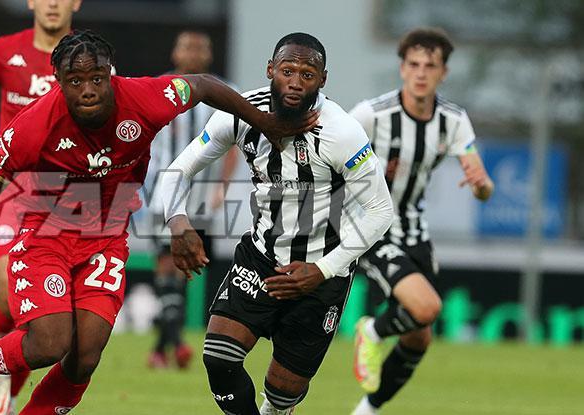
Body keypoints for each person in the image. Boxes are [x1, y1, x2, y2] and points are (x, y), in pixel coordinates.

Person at [0, 30, 318, 415]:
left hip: (105, 240)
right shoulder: (32, 127)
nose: (87, 90)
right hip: (46, 236)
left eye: (97, 78)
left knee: (85, 357)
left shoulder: (145, 98)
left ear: (110, 74)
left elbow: (205, 85)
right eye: (75, 80)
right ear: (58, 81)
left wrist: (263, 122)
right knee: (50, 342)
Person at [158, 32, 394, 414]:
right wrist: (177, 219)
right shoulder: (239, 114)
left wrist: (322, 269)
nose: (296, 82)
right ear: (271, 69)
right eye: (287, 70)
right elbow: (178, 170)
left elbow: (381, 211)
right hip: (262, 258)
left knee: (282, 395)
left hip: (323, 272)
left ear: (323, 80)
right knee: (219, 356)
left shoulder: (342, 132)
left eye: (308, 74)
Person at [348, 27, 494, 415]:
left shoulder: (453, 120)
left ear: (443, 73)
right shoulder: (371, 115)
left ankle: (368, 409)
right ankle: (372, 332)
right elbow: (328, 154)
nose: (421, 73)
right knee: (427, 307)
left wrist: (481, 185)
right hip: (371, 224)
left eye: (430, 66)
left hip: (415, 229)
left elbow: (481, 184)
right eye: (414, 64)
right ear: (401, 68)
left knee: (419, 338)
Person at [0, 0, 81, 412]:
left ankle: (6, 390)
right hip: (11, 189)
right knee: (13, 300)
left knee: (44, 315)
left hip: (69, 198)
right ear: (30, 2)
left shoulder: (88, 59)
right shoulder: (0, 52)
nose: (52, 4)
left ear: (75, 3)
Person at [146, 30, 240, 370]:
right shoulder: (156, 88)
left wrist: (223, 187)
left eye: (201, 46)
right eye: (187, 45)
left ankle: (163, 345)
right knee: (166, 261)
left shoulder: (222, 92)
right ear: (175, 51)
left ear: (209, 54)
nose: (193, 52)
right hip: (163, 189)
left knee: (185, 264)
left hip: (202, 195)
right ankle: (177, 342)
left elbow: (232, 143)